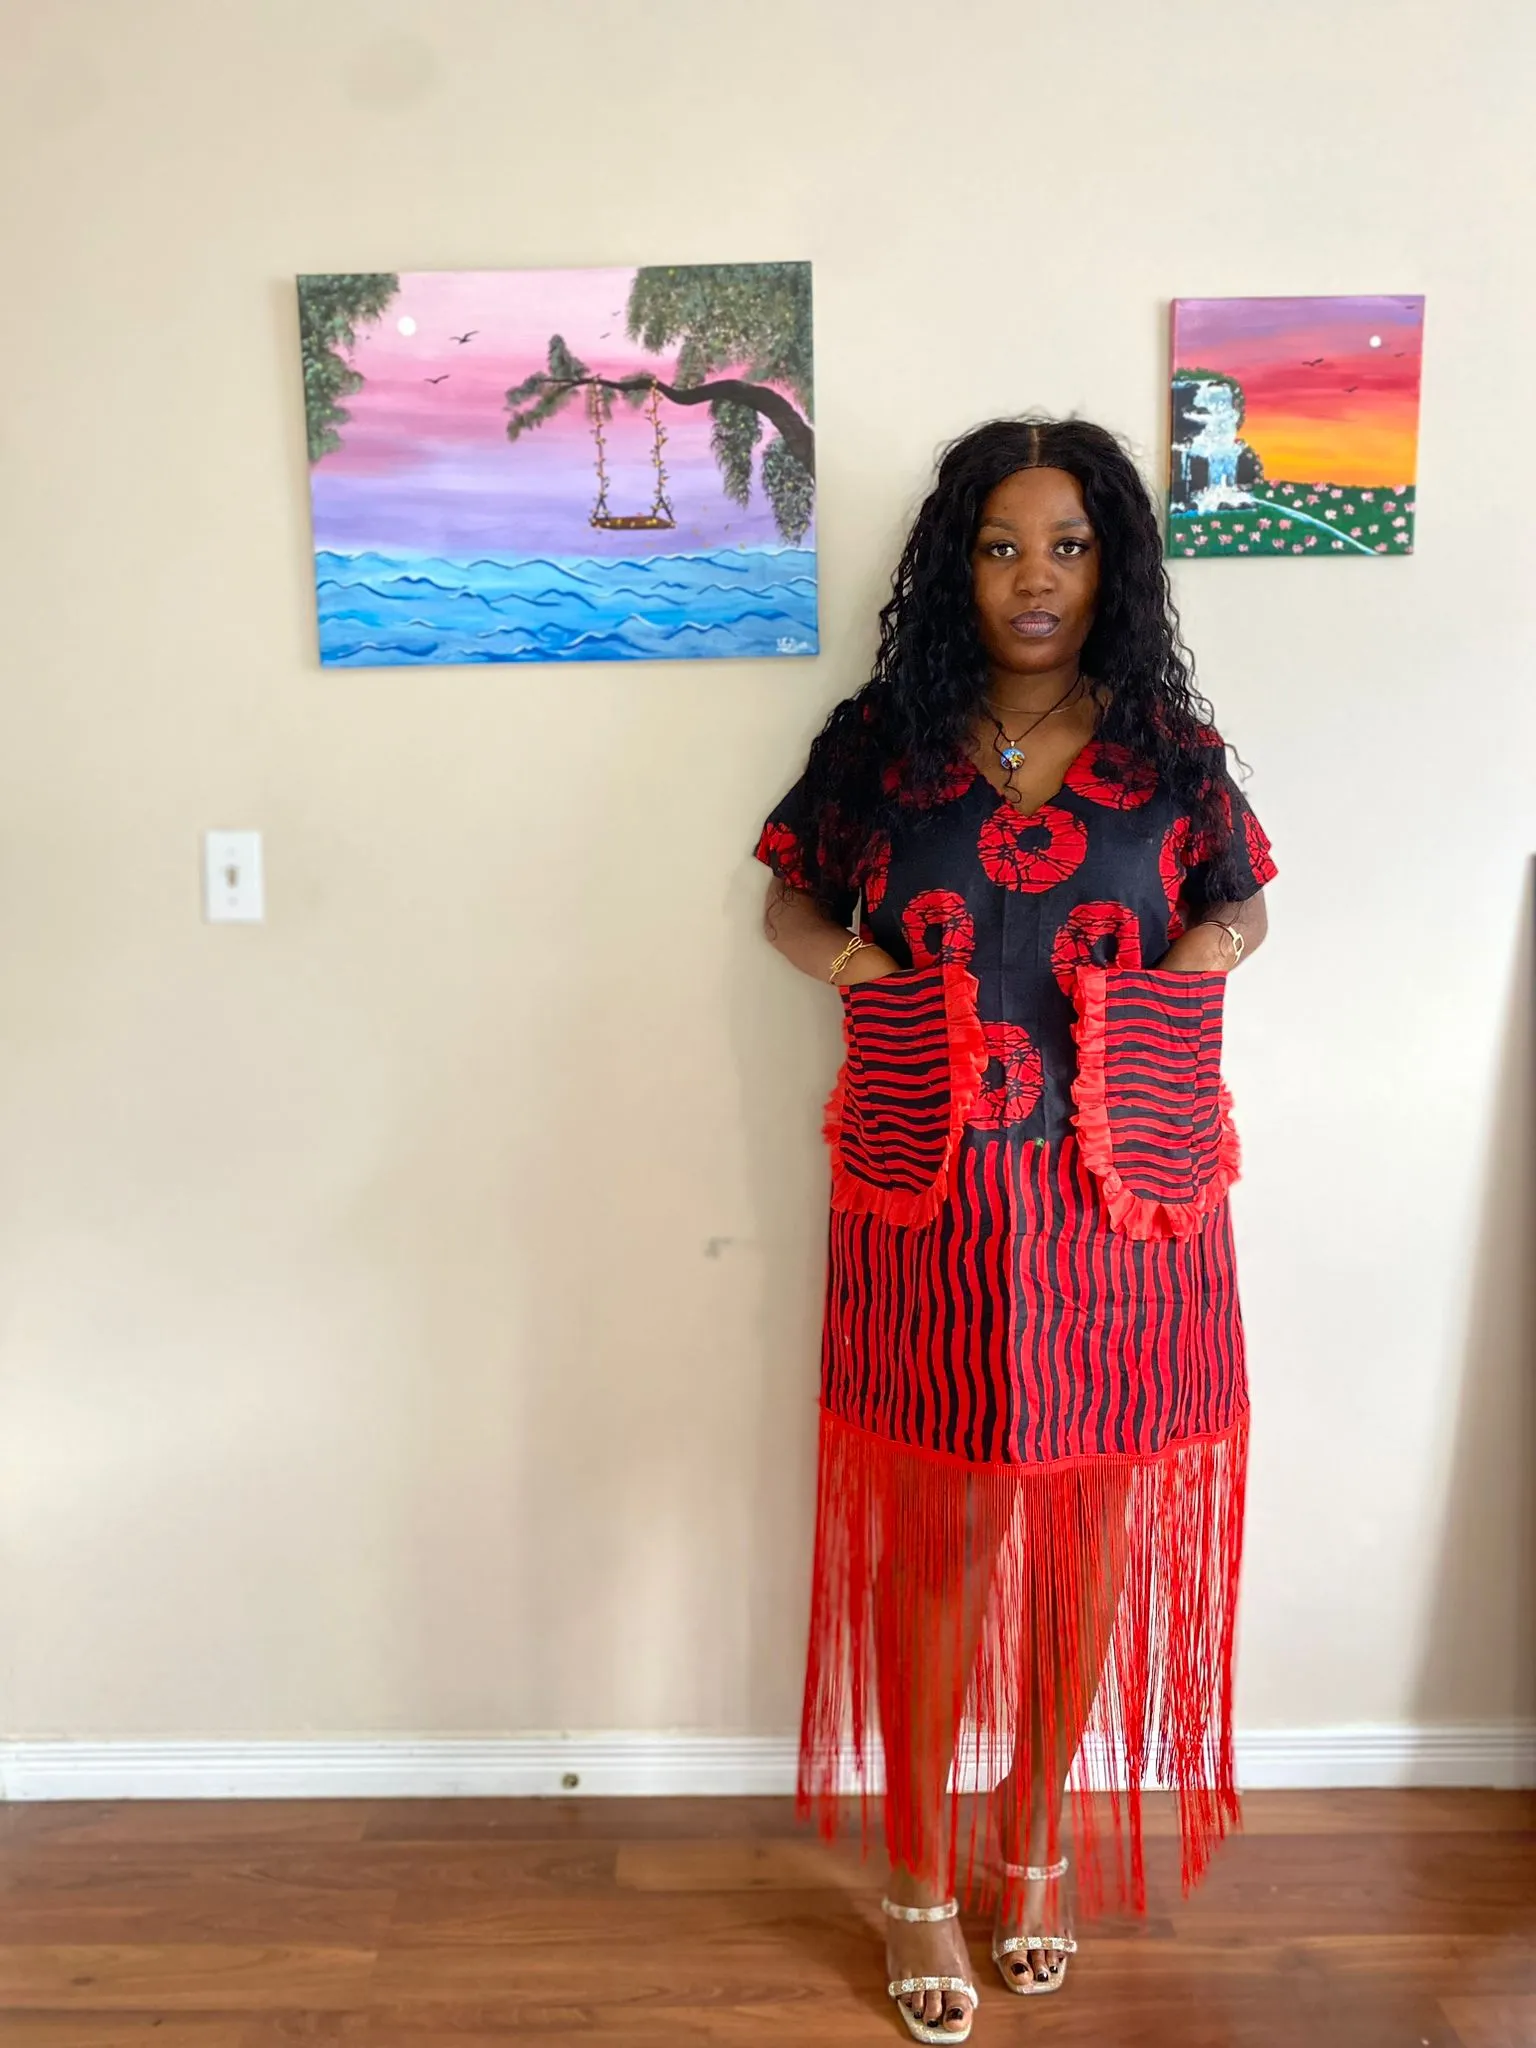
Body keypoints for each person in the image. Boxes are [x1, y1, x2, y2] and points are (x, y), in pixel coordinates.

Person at [756, 417, 1275, 2044]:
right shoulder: (883, 743)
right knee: (951, 1539)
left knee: (1091, 1541)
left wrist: (1187, 974)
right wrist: (872, 976)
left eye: (1066, 546)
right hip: (937, 1200)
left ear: (1112, 565)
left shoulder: (1170, 751)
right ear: (953, 566)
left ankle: (1032, 1843)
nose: (1033, 580)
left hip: (1126, 1203)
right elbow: (789, 899)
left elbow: (1243, 898)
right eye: (999, 547)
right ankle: (920, 1876)